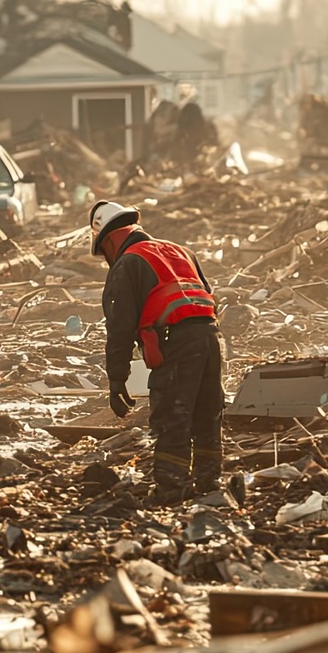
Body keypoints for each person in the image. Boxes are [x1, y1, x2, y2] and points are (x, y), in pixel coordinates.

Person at [90, 200, 223, 504]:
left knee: (172, 417)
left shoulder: (128, 263)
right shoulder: (180, 250)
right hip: (211, 338)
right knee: (207, 414)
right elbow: (206, 293)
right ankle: (209, 483)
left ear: (109, 240)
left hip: (177, 342)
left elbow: (120, 329)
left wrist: (117, 381)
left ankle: (172, 490)